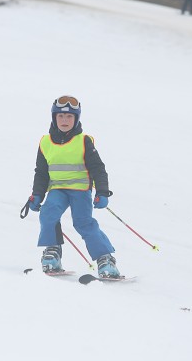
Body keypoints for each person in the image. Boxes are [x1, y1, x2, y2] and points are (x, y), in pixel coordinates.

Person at [26, 96, 121, 278]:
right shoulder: (45, 142)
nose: (64, 120)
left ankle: (105, 259)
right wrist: (37, 195)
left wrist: (102, 191)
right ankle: (52, 254)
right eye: (60, 116)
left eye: (69, 117)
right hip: (57, 189)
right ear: (54, 118)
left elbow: (98, 168)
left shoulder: (83, 141)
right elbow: (41, 172)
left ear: (76, 119)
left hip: (80, 190)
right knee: (48, 213)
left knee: (83, 223)